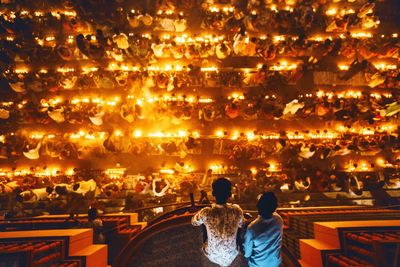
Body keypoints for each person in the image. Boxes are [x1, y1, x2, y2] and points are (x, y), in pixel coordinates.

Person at [192, 177, 244, 267]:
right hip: (232, 254)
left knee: (204, 222)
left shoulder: (206, 212)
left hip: (212, 255)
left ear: (213, 193)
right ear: (229, 194)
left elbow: (194, 222)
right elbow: (242, 224)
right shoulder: (237, 210)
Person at [243, 192, 283, 267]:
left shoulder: (251, 228)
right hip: (275, 263)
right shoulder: (279, 220)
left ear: (258, 206)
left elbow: (247, 253)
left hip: (258, 265)